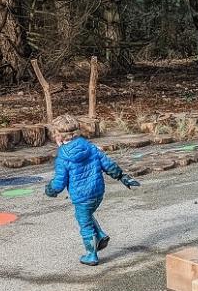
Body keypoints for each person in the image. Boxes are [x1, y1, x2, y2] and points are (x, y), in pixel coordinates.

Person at [44, 114, 140, 265]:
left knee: (85, 223)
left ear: (58, 136)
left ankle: (91, 255)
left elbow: (59, 183)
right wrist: (122, 177)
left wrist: (50, 190)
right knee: (86, 214)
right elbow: (108, 164)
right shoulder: (90, 147)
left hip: (82, 196)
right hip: (98, 192)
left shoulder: (63, 157)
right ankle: (100, 235)